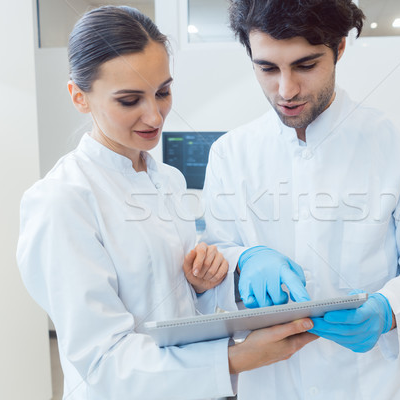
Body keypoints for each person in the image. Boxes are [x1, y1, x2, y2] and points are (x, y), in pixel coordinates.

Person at [16, 6, 316, 400]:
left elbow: (175, 308)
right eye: (129, 100)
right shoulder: (61, 200)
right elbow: (105, 362)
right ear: (79, 97)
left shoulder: (167, 180)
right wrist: (234, 359)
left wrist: (204, 283)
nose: (155, 115)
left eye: (163, 92)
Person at [200, 0, 400, 398]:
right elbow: (215, 257)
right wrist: (244, 262)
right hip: (270, 384)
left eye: (306, 65)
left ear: (339, 48)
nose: (285, 90)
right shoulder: (230, 153)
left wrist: (388, 310)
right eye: (267, 68)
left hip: (369, 384)